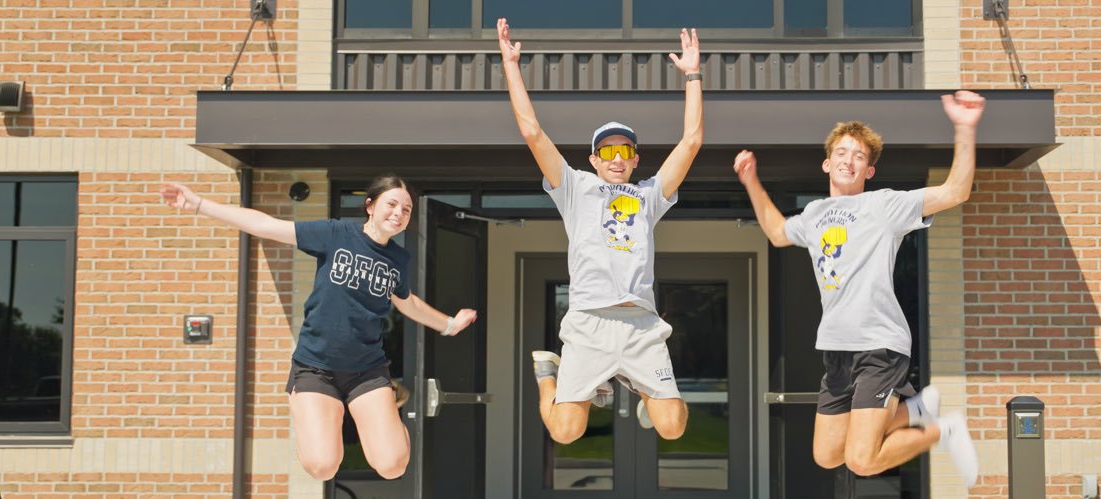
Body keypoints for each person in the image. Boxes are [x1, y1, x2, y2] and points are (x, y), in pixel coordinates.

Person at [731, 91, 987, 486]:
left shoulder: (884, 206)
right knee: (827, 454)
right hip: (837, 351)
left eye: (859, 156)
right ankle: (916, 410)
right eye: (843, 153)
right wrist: (751, 181)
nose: (849, 160)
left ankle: (941, 429)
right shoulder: (814, 214)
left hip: (878, 346)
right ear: (827, 162)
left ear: (868, 171)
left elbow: (956, 191)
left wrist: (965, 127)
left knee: (863, 461)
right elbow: (778, 232)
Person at [160, 175, 478, 481]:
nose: (399, 213)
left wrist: (450, 324)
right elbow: (266, 226)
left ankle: (387, 414)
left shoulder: (398, 259)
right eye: (392, 204)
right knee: (322, 466)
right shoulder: (335, 234)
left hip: (366, 371)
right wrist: (199, 203)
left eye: (406, 209)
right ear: (370, 205)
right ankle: (318, 413)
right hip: (316, 368)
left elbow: (406, 302)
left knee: (393, 465)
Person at [497, 17, 702, 443]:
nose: (615, 157)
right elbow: (531, 132)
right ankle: (550, 377)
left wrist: (693, 75)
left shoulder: (649, 196)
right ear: (593, 159)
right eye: (606, 151)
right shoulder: (575, 187)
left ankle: (629, 380)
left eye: (624, 150)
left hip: (640, 324)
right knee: (566, 432)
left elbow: (691, 141)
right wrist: (510, 65)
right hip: (590, 322)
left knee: (673, 427)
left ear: (634, 159)